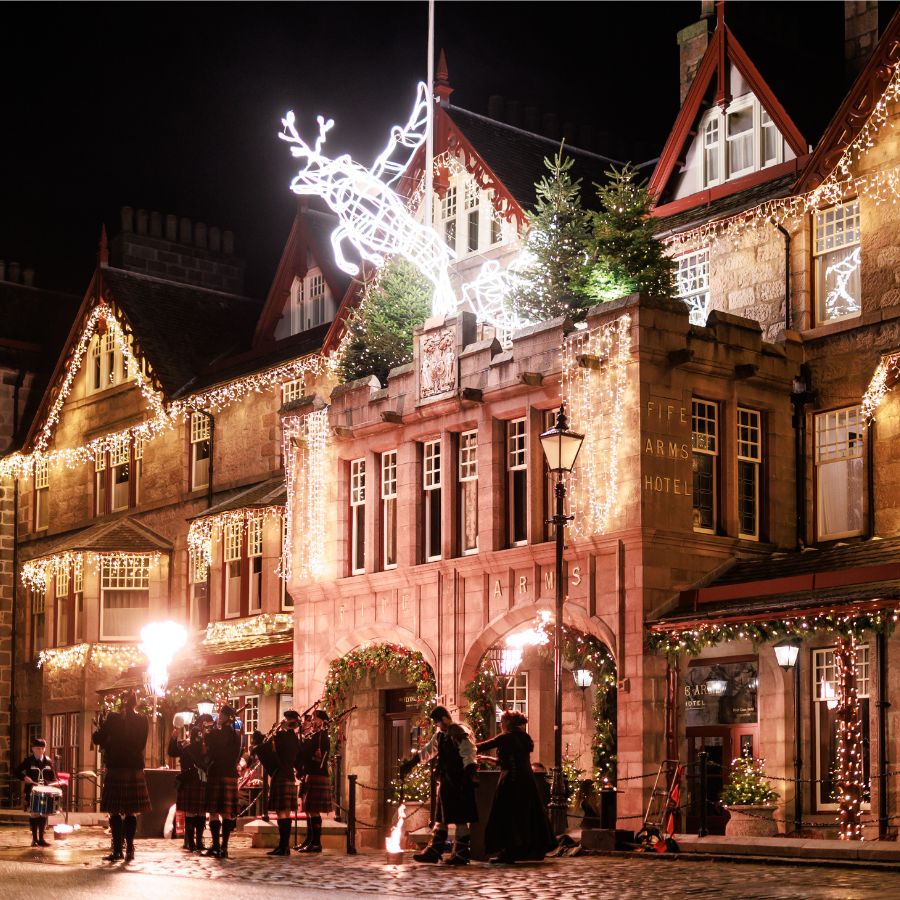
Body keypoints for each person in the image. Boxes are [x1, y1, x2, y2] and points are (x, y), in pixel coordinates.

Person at [399, 705, 478, 866]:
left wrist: (470, 774)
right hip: (447, 781)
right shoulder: (440, 735)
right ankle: (434, 852)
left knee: (460, 819)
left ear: (443, 718)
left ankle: (461, 854)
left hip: (460, 781)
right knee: (441, 818)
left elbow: (468, 753)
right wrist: (412, 763)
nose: (437, 725)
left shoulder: (459, 732)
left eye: (437, 722)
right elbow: (427, 751)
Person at [476, 710, 555, 864]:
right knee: (526, 814)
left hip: (511, 780)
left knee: (507, 814)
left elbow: (483, 745)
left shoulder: (506, 736)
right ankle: (529, 850)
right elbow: (508, 760)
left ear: (507, 723)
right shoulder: (524, 737)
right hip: (526, 780)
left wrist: (463, 742)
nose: (500, 724)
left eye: (502, 721)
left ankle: (509, 851)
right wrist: (487, 759)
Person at [92, 691, 151, 861]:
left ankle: (118, 850)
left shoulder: (113, 718)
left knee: (115, 811)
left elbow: (98, 739)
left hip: (117, 767)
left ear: (121, 703)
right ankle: (130, 848)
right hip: (134, 768)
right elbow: (142, 744)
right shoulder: (143, 720)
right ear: (135, 703)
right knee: (131, 812)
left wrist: (98, 728)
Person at [252, 710, 301, 856]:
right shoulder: (295, 739)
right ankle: (284, 846)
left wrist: (275, 732)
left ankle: (283, 846)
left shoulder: (281, 737)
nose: (283, 721)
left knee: (281, 812)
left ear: (288, 721)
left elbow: (265, 747)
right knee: (286, 812)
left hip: (280, 775)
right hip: (289, 776)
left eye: (285, 719)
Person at [202, 704, 243, 858]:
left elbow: (210, 752)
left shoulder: (215, 734)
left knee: (213, 812)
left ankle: (216, 846)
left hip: (217, 774)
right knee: (227, 814)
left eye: (220, 715)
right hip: (230, 774)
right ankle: (224, 847)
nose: (218, 717)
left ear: (225, 717)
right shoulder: (236, 735)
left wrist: (209, 732)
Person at [167, 717, 212, 853]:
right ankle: (198, 841)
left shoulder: (186, 747)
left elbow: (172, 752)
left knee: (191, 813)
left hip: (188, 781)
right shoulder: (205, 747)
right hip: (201, 781)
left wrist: (173, 738)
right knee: (201, 812)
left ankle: (191, 842)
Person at [296, 709, 332, 853]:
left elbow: (306, 751)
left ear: (321, 721)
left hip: (318, 774)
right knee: (309, 811)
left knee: (314, 811)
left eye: (315, 719)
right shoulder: (313, 735)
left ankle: (316, 843)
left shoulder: (322, 736)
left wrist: (304, 737)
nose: (312, 721)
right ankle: (310, 840)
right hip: (310, 774)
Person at [14, 738, 59, 847]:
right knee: (34, 814)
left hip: (45, 791)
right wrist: (25, 777)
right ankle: (34, 839)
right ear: (33, 749)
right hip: (32, 791)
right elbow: (16, 771)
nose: (40, 751)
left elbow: (53, 777)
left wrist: (54, 783)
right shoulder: (28, 761)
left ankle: (42, 839)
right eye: (38, 748)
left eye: (42, 748)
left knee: (43, 814)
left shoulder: (48, 761)